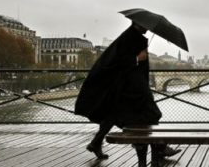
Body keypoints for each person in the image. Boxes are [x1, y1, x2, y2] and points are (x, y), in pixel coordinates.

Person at [75, 22, 180, 159]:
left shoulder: (133, 36)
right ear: (138, 24)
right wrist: (137, 58)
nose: (147, 28)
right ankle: (159, 147)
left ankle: (96, 143)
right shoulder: (129, 37)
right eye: (145, 26)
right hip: (131, 88)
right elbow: (115, 61)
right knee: (151, 114)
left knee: (114, 115)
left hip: (129, 86)